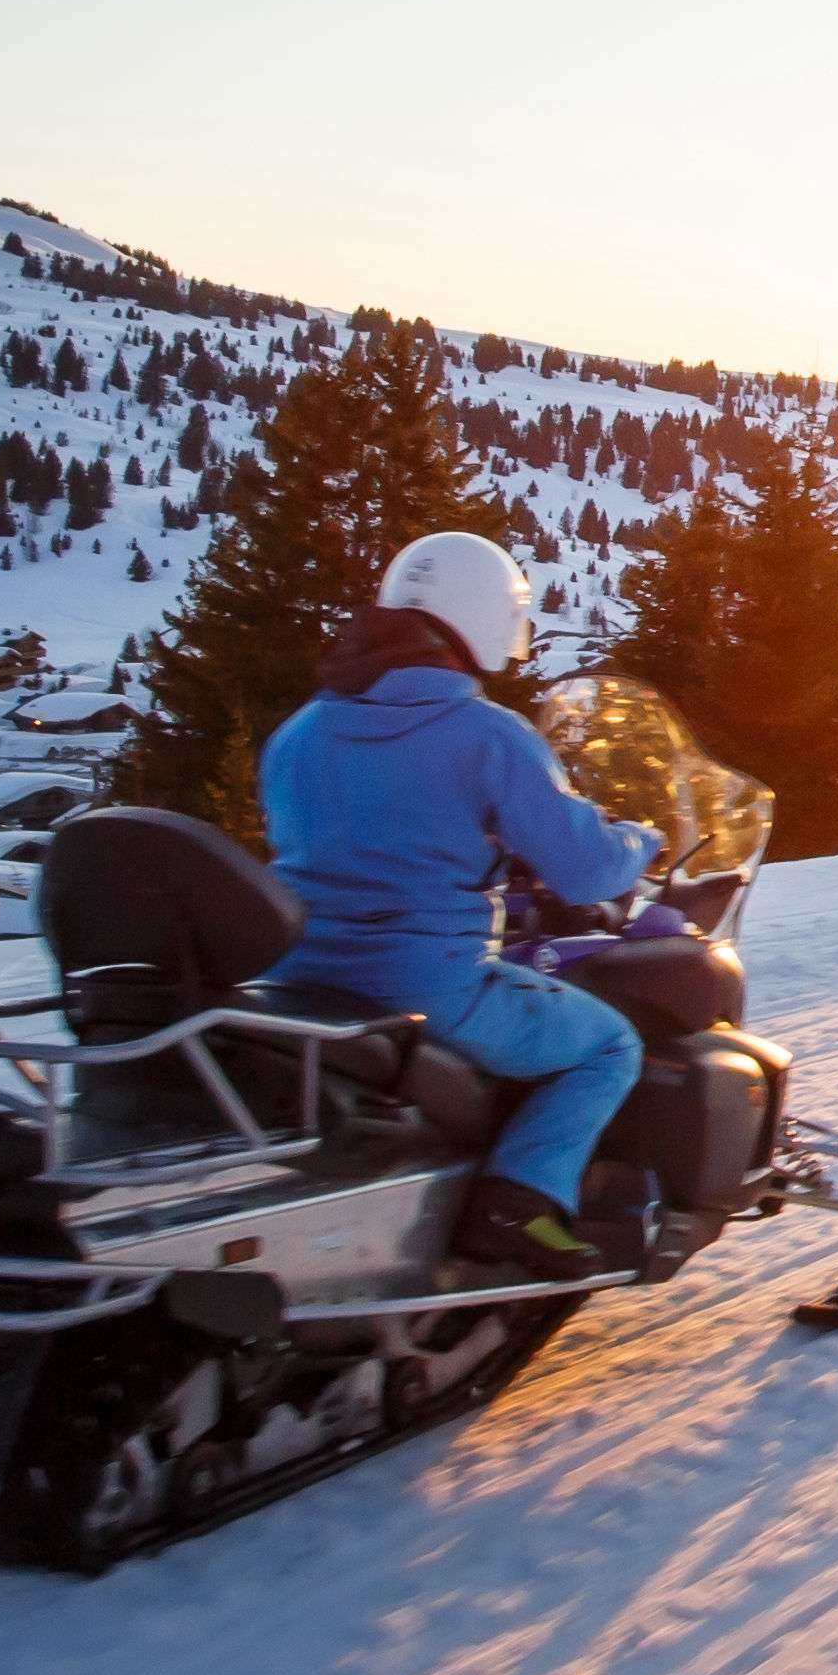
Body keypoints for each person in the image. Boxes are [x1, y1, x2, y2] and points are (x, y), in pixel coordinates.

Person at [257, 528, 661, 1278]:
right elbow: (585, 869)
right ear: (483, 618)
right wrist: (643, 840)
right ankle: (521, 1201)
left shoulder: (298, 733)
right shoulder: (487, 735)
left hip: (297, 980)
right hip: (424, 985)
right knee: (609, 1046)